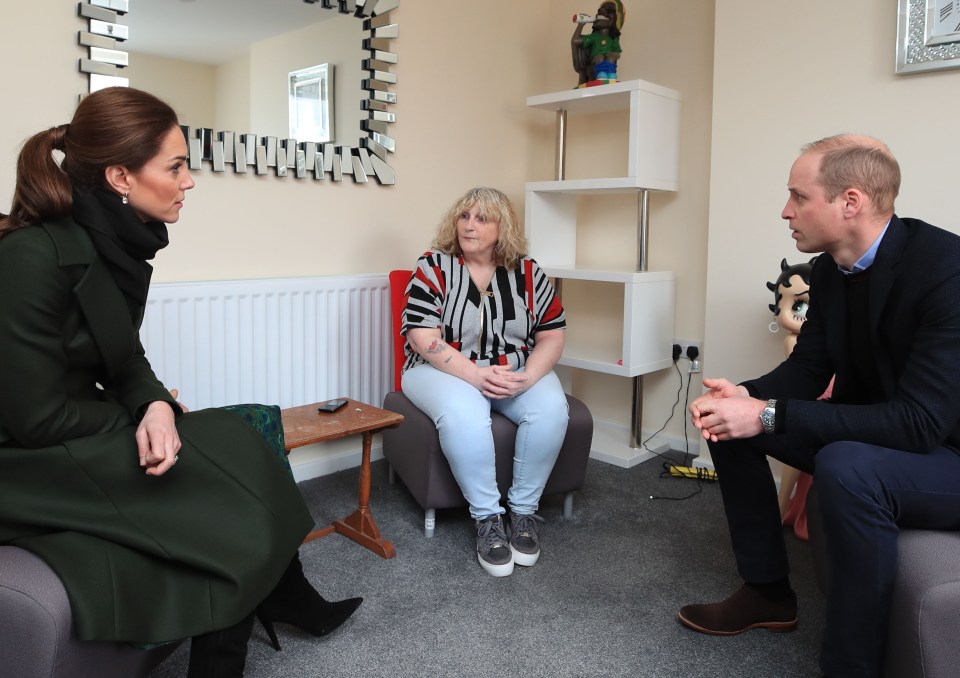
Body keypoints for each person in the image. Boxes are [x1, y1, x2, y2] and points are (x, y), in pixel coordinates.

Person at [0, 87, 361, 676]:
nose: (189, 181)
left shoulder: (107, 244)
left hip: (73, 427)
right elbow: (35, 417)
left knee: (250, 424)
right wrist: (146, 413)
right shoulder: (31, 257)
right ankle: (249, 631)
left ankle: (275, 604)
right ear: (120, 175)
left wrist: (155, 405)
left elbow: (125, 360)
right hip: (24, 457)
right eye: (176, 166)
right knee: (224, 449)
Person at [679, 134, 960, 677]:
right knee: (733, 423)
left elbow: (921, 424)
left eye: (798, 197)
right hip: (879, 433)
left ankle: (850, 666)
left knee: (846, 464)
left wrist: (767, 411)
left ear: (849, 202)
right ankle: (767, 594)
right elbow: (807, 369)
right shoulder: (831, 270)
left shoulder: (945, 268)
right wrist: (744, 398)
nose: (786, 211)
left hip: (945, 453)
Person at [400, 187, 569, 577]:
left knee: (550, 410)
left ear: (502, 227)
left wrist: (527, 377)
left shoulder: (527, 271)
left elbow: (552, 335)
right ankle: (488, 520)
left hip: (510, 368)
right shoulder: (434, 265)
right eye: (464, 216)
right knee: (466, 409)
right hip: (437, 370)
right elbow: (423, 338)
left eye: (481, 218)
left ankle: (524, 513)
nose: (469, 225)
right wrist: (475, 375)